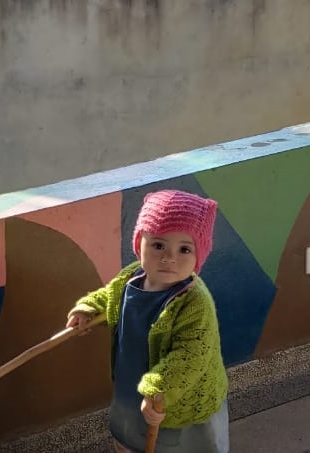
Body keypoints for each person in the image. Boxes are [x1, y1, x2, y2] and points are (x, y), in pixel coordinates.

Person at [66, 190, 229, 453]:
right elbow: (110, 294)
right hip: (133, 383)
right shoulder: (132, 276)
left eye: (184, 249)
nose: (169, 257)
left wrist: (158, 389)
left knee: (177, 445)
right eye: (158, 245)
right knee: (132, 435)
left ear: (200, 254)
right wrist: (87, 309)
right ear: (139, 242)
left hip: (175, 396)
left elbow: (191, 356)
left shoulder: (193, 302)